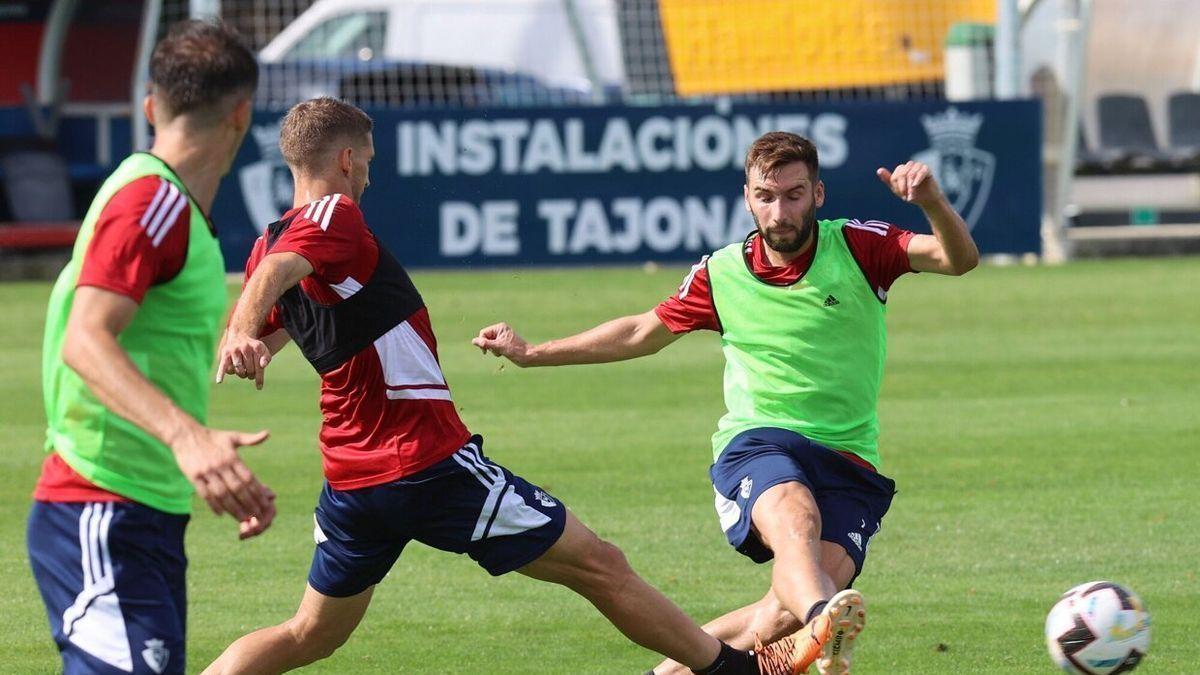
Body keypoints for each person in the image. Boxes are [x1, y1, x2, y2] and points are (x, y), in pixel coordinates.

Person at [202, 97, 810, 675]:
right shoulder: (332, 215)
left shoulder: (264, 245)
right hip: (425, 465)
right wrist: (242, 334)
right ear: (345, 159)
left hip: (352, 482)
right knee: (600, 565)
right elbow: (278, 281)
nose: (367, 176)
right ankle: (731, 668)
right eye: (367, 161)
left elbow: (274, 299)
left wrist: (244, 333)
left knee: (310, 633)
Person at [472, 131, 980, 675]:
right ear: (747, 198)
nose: (779, 211)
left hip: (849, 457)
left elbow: (958, 259)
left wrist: (931, 202)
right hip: (758, 443)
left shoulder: (859, 246)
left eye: (794, 194)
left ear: (819, 195)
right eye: (766, 196)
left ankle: (697, 662)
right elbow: (642, 331)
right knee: (796, 524)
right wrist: (531, 352)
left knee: (775, 616)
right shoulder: (721, 272)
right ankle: (822, 620)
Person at [27, 20, 276, 675]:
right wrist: (186, 436)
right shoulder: (153, 203)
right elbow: (86, 338)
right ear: (243, 114)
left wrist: (200, 452)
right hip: (99, 508)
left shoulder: (171, 207)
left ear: (149, 105)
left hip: (142, 514)